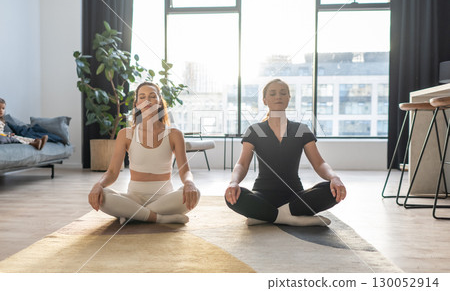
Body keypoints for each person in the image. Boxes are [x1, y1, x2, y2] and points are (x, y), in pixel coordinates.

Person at [225, 79, 346, 226]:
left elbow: (319, 163)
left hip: (295, 197)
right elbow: (242, 164)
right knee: (233, 196)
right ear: (264, 100)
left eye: (283, 93)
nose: (278, 97)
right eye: (273, 93)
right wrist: (234, 182)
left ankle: (267, 216)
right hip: (262, 195)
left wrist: (334, 177)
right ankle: (290, 218)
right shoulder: (254, 130)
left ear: (289, 98)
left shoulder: (301, 129)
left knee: (330, 190)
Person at [88, 82, 200, 225]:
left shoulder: (174, 134)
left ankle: (133, 214)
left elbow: (185, 171)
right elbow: (112, 172)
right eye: (142, 97)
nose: (147, 101)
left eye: (152, 96)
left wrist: (189, 183)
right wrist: (98, 184)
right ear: (136, 103)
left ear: (159, 102)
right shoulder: (125, 134)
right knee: (103, 196)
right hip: (134, 197)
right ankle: (160, 218)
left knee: (196, 193)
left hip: (164, 198)